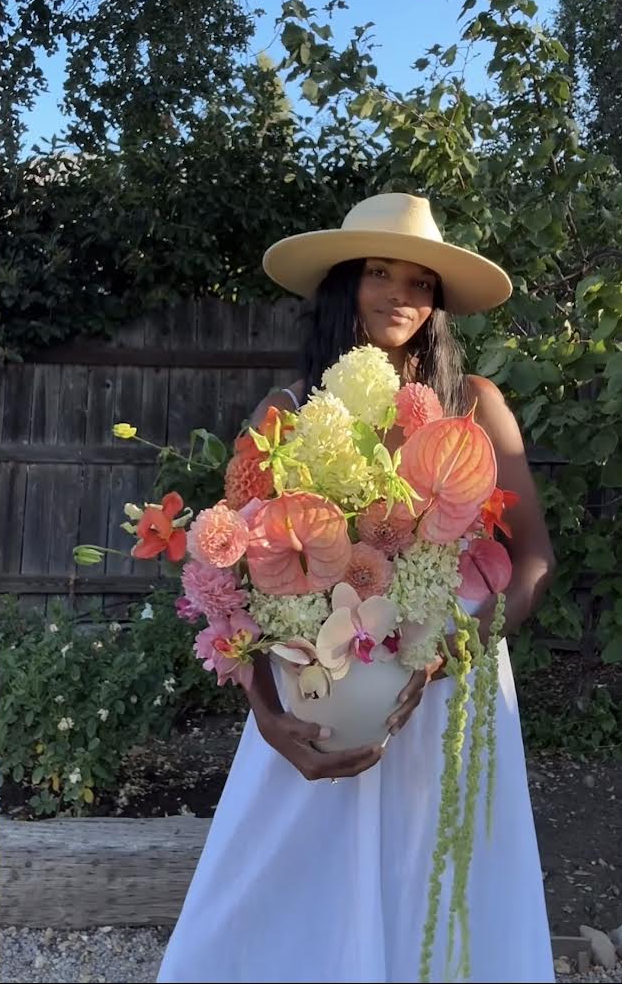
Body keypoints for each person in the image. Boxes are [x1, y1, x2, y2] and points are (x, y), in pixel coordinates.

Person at [157, 193, 557, 984]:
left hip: (449, 689)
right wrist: (268, 720)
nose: (399, 295)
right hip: (316, 687)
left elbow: (534, 559)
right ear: (345, 282)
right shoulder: (283, 414)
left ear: (437, 302)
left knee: (444, 884)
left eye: (419, 281)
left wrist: (463, 645)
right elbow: (228, 584)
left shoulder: (477, 405)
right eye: (378, 272)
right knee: (283, 884)